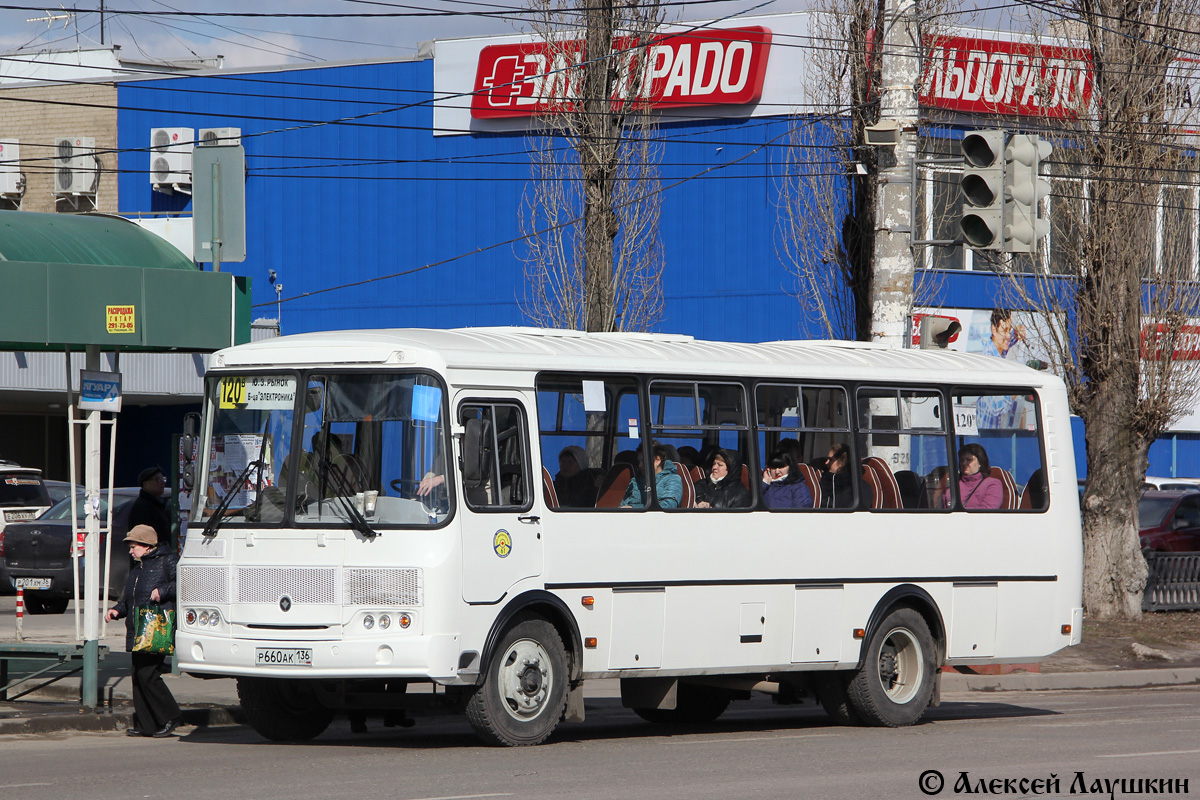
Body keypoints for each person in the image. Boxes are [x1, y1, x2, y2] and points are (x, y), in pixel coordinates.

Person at [105, 524, 182, 738]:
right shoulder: (138, 568)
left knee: (149, 674)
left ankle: (170, 717)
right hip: (139, 629)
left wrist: (163, 590)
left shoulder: (168, 561)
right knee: (138, 675)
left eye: (133, 546)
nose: (130, 551)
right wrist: (116, 611)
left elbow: (183, 584)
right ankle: (146, 724)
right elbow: (129, 599)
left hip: (156, 627)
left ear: (147, 546)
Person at [621, 444, 683, 509]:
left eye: (643, 461)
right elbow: (625, 502)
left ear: (658, 460)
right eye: (639, 462)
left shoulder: (673, 480)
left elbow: (668, 505)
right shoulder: (636, 481)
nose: (640, 465)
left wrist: (634, 508)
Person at [944, 443, 1003, 510]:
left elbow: (988, 511)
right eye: (962, 460)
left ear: (980, 462)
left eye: (969, 460)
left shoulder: (992, 484)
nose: (964, 463)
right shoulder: (954, 485)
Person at [128, 466, 171, 549]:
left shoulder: (157, 504)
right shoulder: (142, 507)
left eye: (163, 479)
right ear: (146, 484)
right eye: (158, 479)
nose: (163, 483)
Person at [818, 443, 854, 509]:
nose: (826, 463)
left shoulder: (856, 488)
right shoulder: (824, 482)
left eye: (831, 460)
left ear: (841, 463)